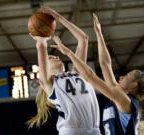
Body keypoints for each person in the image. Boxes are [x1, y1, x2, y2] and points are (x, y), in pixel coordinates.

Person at [52, 14, 144, 135]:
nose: (121, 76)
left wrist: (68, 53)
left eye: (127, 76)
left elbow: (90, 76)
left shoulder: (125, 101)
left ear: (133, 85)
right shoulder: (119, 95)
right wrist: (99, 34)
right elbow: (105, 64)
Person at [28, 7, 101, 135]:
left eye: (54, 56)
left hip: (94, 130)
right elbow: (42, 49)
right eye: (50, 58)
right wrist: (41, 40)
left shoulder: (78, 72)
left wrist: (59, 18)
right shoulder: (50, 83)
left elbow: (83, 39)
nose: (56, 56)